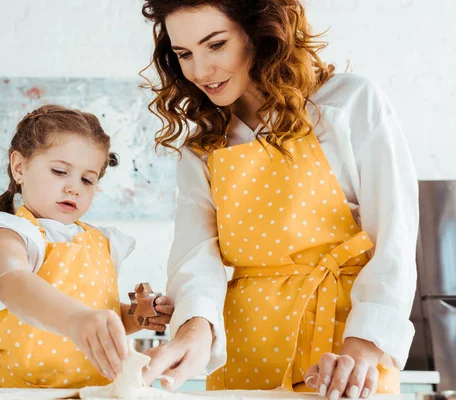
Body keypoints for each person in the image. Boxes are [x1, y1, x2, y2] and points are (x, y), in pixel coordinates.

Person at [139, 1, 418, 399]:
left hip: (347, 350)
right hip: (247, 347)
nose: (199, 71)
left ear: (259, 33)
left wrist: (363, 349)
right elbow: (196, 257)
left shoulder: (348, 103)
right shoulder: (203, 147)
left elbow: (396, 236)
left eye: (215, 45)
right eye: (184, 54)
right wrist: (192, 332)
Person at [0, 104, 174, 388]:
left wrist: (138, 315)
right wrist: (77, 320)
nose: (74, 188)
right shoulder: (10, 233)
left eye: (87, 179)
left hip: (96, 391)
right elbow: (14, 284)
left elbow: (102, 314)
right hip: (24, 392)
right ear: (19, 167)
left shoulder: (101, 242)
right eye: (59, 171)